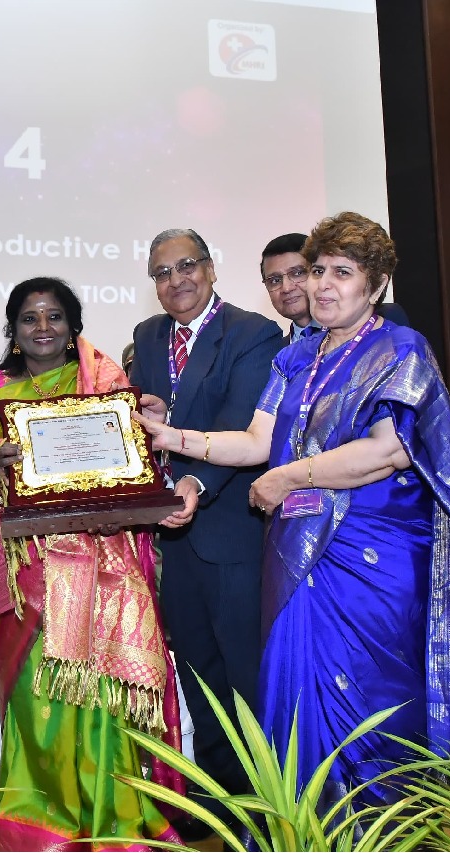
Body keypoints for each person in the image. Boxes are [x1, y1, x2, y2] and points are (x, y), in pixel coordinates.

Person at [137, 212, 450, 809]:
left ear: (375, 284)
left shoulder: (400, 350)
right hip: (297, 558)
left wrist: (291, 476)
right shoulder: (298, 359)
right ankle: (308, 830)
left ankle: (385, 834)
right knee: (298, 697)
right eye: (318, 269)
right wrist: (175, 440)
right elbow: (256, 441)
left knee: (370, 697)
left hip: (374, 560)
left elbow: (389, 450)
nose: (321, 285)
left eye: (341, 273)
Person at [0, 277, 185, 850]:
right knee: (36, 699)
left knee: (101, 697)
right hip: (26, 572)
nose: (43, 329)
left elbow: (132, 458)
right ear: (13, 329)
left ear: (73, 324)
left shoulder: (104, 382)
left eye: (55, 317)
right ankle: (43, 826)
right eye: (30, 319)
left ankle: (114, 821)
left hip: (103, 565)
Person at [128, 228, 282, 821]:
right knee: (197, 674)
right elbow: (157, 417)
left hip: (230, 530)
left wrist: (193, 485)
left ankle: (266, 811)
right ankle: (221, 804)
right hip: (172, 539)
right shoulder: (148, 336)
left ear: (212, 268)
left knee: (245, 677)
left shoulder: (251, 333)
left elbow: (242, 425)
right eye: (162, 273)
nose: (176, 281)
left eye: (187, 266)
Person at [263, 232, 410, 347]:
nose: (287, 288)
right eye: (274, 280)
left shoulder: (385, 323)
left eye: (298, 273)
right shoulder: (273, 353)